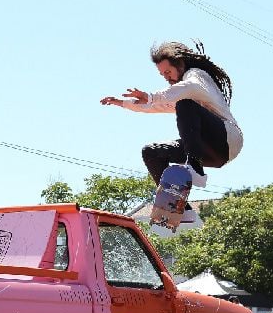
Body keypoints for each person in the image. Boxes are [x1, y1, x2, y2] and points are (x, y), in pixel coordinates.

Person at [100, 41, 243, 208]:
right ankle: (177, 208)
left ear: (180, 65)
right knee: (151, 152)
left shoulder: (196, 75)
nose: (167, 78)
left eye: (168, 72)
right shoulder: (181, 94)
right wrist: (123, 103)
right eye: (163, 75)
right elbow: (156, 105)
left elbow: (190, 87)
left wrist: (151, 96)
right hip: (208, 150)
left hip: (227, 140)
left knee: (185, 104)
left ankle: (195, 167)